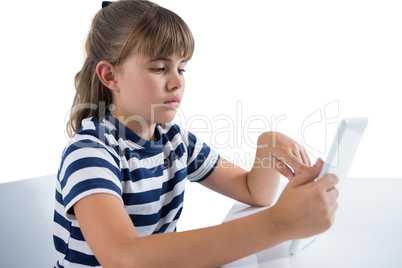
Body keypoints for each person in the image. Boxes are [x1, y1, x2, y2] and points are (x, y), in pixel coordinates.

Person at [53, 0, 339, 267]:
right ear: (111, 76)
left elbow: (254, 192)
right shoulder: (90, 152)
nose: (177, 82)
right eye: (159, 68)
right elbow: (124, 257)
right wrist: (278, 224)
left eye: (182, 68)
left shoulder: (175, 141)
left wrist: (267, 146)